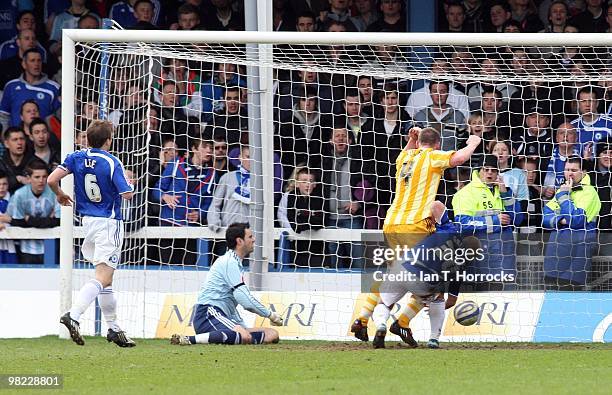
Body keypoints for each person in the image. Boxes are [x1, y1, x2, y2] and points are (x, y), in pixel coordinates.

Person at [351, 127, 481, 346]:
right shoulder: (432, 156)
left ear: (417, 141)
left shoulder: (405, 157)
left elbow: (409, 149)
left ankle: (364, 319)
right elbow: (459, 158)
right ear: (437, 144)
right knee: (429, 280)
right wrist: (473, 142)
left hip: (392, 223)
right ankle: (403, 323)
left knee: (394, 274)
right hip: (416, 225)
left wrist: (412, 139)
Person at [48, 120, 136, 347]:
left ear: (87, 139)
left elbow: (51, 179)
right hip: (109, 223)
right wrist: (130, 183)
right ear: (109, 140)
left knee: (106, 279)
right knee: (103, 277)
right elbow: (127, 194)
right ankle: (74, 315)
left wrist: (59, 194)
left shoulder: (75, 157)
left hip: (87, 222)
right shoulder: (111, 161)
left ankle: (114, 329)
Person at [170, 222, 282, 345]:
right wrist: (271, 315)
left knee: (272, 334)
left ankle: (232, 337)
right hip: (208, 313)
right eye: (250, 237)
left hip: (224, 315)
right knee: (243, 335)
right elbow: (245, 300)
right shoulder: (229, 262)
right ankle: (189, 340)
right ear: (239, 241)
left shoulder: (235, 263)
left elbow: (231, 304)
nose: (254, 239)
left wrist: (241, 326)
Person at [452, 155, 521, 285]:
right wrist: (495, 221)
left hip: (505, 258)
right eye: (486, 169)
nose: (490, 173)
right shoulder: (465, 193)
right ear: (479, 171)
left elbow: (517, 219)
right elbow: (462, 224)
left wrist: (505, 193)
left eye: (493, 170)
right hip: (481, 259)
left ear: (498, 173)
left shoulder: (504, 191)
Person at [543, 157, 601, 289]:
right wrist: (561, 220)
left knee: (570, 300)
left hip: (576, 256)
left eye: (574, 170)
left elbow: (576, 221)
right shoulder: (561, 190)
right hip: (555, 254)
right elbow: (544, 218)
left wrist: (564, 197)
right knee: (550, 300)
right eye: (567, 170)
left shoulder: (590, 192)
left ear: (584, 173)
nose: (570, 173)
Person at [5, 159, 59, 264]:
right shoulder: (19, 194)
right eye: (37, 177)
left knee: (50, 278)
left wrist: (28, 219)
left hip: (49, 245)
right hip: (26, 247)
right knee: (27, 278)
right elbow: (17, 222)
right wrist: (48, 220)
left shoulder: (54, 191)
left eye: (44, 177)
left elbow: (59, 220)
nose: (41, 181)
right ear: (29, 178)